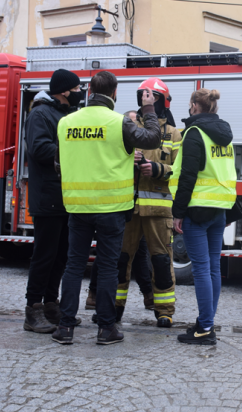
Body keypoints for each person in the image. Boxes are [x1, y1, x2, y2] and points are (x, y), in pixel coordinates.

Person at [53, 71, 161, 345]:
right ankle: (106, 328)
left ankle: (65, 327)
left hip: (77, 206)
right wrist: (148, 107)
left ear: (89, 89)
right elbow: (152, 139)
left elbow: (58, 164)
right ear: (114, 93)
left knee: (74, 265)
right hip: (112, 207)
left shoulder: (66, 123)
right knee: (107, 267)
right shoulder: (119, 123)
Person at [111, 79, 182, 327]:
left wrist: (158, 168)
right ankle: (113, 308)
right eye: (143, 96)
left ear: (161, 101)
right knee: (120, 261)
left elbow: (179, 170)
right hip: (128, 207)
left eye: (151, 97)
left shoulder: (174, 134)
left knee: (161, 261)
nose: (145, 101)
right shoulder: (128, 127)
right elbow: (112, 162)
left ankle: (164, 311)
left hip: (159, 210)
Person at [170, 88, 235, 345]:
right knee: (212, 268)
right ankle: (205, 322)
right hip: (219, 208)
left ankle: (205, 328)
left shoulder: (194, 134)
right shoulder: (225, 134)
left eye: (190, 104)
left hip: (197, 209)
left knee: (201, 270)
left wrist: (178, 212)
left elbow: (187, 177)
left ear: (195, 106)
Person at [22, 69, 82, 333]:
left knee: (60, 256)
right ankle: (32, 310)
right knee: (44, 256)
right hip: (48, 196)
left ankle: (50, 304)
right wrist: (73, 150)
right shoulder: (40, 113)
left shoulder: (65, 114)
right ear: (64, 91)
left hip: (66, 197)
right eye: (77, 88)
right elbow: (39, 149)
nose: (81, 93)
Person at [86, 109, 155, 313]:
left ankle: (148, 294)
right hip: (116, 204)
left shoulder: (141, 143)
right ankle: (94, 294)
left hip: (136, 204)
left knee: (140, 251)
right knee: (108, 252)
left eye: (137, 123)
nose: (134, 127)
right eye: (131, 122)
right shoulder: (117, 140)